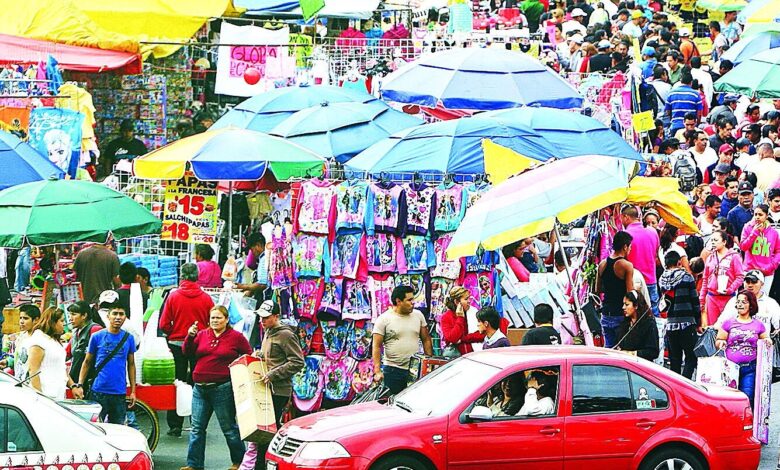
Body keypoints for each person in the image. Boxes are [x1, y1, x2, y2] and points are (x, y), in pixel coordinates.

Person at [182, 306, 251, 470]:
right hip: (199, 389)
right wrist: (190, 337)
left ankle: (240, 462)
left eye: (219, 318)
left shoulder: (236, 337)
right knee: (197, 429)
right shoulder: (202, 335)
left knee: (229, 429)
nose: (215, 321)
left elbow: (247, 356)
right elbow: (187, 352)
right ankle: (194, 465)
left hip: (222, 388)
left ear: (227, 320)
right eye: (212, 318)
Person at [239, 300, 304, 470]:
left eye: (266, 318)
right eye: (261, 318)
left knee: (267, 433)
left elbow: (297, 362)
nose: (262, 321)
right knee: (262, 431)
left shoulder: (286, 335)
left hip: (279, 390)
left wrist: (274, 374)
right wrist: (259, 355)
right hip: (266, 388)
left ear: (276, 316)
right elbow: (273, 356)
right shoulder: (268, 331)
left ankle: (264, 466)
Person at [159, 262, 213, 436]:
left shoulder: (173, 297)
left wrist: (175, 331)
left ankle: (175, 424)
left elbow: (164, 324)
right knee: (198, 384)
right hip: (199, 345)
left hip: (176, 345)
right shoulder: (206, 298)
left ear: (182, 276)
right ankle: (197, 422)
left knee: (178, 382)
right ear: (197, 276)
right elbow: (213, 323)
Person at [76, 300, 137, 425]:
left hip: (119, 392)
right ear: (108, 316)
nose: (118, 317)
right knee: (95, 428)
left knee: (118, 429)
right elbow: (87, 362)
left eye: (121, 314)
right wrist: (80, 384)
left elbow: (131, 365)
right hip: (98, 390)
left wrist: (133, 391)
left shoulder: (129, 338)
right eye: (115, 314)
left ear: (125, 317)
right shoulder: (97, 337)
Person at [372, 286, 433, 394]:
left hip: (415, 369)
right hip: (393, 370)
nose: (413, 303)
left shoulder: (418, 315)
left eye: (413, 299)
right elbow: (376, 346)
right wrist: (377, 371)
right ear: (398, 301)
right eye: (409, 300)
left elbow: (426, 339)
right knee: (393, 403)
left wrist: (430, 363)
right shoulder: (384, 319)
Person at [716, 291, 770, 409]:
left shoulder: (758, 325)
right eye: (738, 302)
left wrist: (767, 341)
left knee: (747, 397)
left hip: (750, 368)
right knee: (729, 398)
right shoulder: (728, 323)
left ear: (751, 305)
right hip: (730, 368)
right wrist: (721, 342)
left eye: (744, 302)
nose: (740, 304)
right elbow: (719, 339)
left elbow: (766, 338)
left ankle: (747, 424)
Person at [659, 251, 700, 379]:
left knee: (675, 360)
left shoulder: (662, 279)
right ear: (679, 262)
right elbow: (695, 301)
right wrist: (698, 321)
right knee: (691, 357)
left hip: (671, 325)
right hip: (687, 323)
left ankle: (677, 386)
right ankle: (686, 384)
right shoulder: (687, 278)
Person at [27, 307, 79, 399]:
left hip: (57, 394)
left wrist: (73, 386)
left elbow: (61, 368)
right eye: (62, 321)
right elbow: (33, 370)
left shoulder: (54, 340)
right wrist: (40, 396)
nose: (64, 324)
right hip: (45, 395)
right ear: (52, 322)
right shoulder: (39, 339)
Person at [621, 206, 662, 316]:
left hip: (634, 282)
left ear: (625, 217)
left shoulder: (625, 235)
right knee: (654, 313)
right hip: (651, 280)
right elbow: (656, 255)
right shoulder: (653, 232)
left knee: (636, 316)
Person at [597, 231, 635, 347]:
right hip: (620, 313)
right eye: (630, 247)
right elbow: (630, 293)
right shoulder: (626, 265)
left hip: (606, 313)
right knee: (622, 348)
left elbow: (598, 289)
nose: (630, 250)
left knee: (609, 348)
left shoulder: (602, 264)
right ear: (625, 246)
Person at [700, 230, 744, 327]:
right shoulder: (710, 257)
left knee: (728, 327)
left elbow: (740, 277)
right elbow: (705, 280)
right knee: (712, 328)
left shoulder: (734, 256)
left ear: (724, 242)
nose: (713, 242)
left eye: (715, 240)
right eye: (711, 240)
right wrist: (702, 299)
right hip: (712, 298)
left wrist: (730, 289)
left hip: (729, 298)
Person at [715, 270, 780, 335]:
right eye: (747, 282)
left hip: (762, 342)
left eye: (754, 282)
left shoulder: (771, 303)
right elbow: (721, 322)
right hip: (736, 342)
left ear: (762, 284)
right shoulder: (734, 301)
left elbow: (778, 324)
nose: (750, 285)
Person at [740, 204, 780, 292]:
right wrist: (754, 233)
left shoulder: (774, 233)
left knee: (763, 298)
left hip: (767, 272)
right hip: (749, 270)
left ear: (766, 215)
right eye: (755, 214)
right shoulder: (748, 228)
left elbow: (778, 251)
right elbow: (743, 247)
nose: (757, 217)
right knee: (749, 298)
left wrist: (772, 265)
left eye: (760, 215)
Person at [66, 301, 103, 391]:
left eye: (74, 314)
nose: (70, 318)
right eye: (69, 315)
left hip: (91, 383)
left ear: (84, 316)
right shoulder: (76, 333)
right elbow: (65, 354)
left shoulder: (95, 330)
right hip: (77, 384)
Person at [614, 290, 660, 361]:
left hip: (642, 366)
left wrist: (631, 353)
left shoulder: (649, 323)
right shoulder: (625, 323)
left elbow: (653, 351)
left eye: (627, 304)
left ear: (636, 306)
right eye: (623, 304)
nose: (623, 307)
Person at [440, 287, 484, 356]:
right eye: (466, 299)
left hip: (474, 354)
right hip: (456, 357)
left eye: (469, 298)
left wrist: (463, 339)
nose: (469, 301)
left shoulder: (474, 312)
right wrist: (460, 318)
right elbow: (452, 338)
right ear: (457, 302)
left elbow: (482, 334)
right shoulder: (446, 317)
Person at [0, 304, 40, 380]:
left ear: (36, 320)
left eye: (25, 318)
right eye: (20, 318)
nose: (21, 321)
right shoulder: (21, 337)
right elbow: (20, 359)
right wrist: (8, 362)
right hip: (19, 380)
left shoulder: (39, 340)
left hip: (30, 383)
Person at [665, 72, 703, 136]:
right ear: (691, 82)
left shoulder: (671, 93)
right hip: (691, 127)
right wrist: (696, 124)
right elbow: (699, 114)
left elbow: (668, 111)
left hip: (675, 126)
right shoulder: (695, 94)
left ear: (680, 81)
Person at [236, 233, 269, 302]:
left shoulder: (264, 259)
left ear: (258, 245)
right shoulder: (263, 258)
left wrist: (242, 286)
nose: (252, 252)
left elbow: (262, 284)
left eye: (252, 249)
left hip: (265, 298)